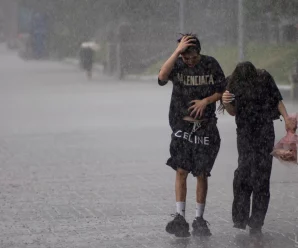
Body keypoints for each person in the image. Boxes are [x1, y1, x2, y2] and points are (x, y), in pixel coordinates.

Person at [158, 34, 226, 237]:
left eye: (193, 58)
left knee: (202, 173)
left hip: (206, 127)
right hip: (182, 126)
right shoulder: (177, 64)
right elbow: (161, 78)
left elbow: (222, 90)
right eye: (186, 58)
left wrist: (205, 101)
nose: (189, 61)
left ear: (199, 53)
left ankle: (199, 218)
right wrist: (177, 51)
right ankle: (179, 216)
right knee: (181, 170)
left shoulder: (210, 64)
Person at [221, 61, 296, 236]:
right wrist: (225, 102)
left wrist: (286, 118)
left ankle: (256, 223)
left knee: (262, 176)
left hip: (264, 130)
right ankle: (240, 217)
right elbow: (232, 112)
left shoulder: (263, 77)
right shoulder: (232, 82)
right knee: (244, 172)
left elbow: (277, 100)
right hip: (245, 132)